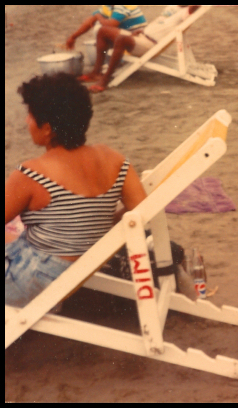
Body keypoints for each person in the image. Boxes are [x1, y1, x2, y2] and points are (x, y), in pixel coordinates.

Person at [4, 73, 148, 307]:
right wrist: (95, 219)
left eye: (30, 115)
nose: (26, 122)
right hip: (79, 268)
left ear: (48, 128)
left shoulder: (31, 173)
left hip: (34, 279)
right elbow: (141, 212)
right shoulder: (115, 160)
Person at [79, 5, 201, 93]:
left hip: (150, 44)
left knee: (121, 39)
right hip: (143, 35)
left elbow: (194, 7)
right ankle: (96, 73)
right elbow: (161, 23)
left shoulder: (187, 11)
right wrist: (143, 30)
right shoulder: (173, 7)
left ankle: (104, 80)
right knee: (102, 31)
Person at [65, 5, 147, 51]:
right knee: (99, 26)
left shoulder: (121, 6)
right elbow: (90, 20)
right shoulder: (109, 6)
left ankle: (102, 68)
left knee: (102, 30)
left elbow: (111, 25)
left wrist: (98, 16)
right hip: (128, 34)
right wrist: (73, 37)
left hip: (138, 37)